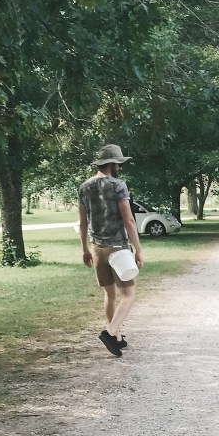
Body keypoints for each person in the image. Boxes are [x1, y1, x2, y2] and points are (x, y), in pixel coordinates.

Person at [78, 144, 144, 358]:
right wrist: (138, 250)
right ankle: (110, 332)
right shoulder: (118, 186)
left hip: (97, 248)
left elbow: (83, 222)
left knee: (109, 293)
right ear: (112, 164)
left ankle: (115, 338)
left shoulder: (84, 187)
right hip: (118, 248)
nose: (120, 168)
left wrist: (85, 249)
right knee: (129, 294)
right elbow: (129, 221)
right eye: (119, 164)